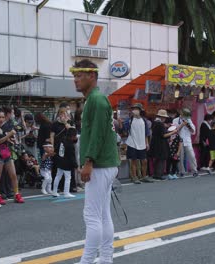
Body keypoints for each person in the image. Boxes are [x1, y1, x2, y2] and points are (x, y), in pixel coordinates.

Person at [70, 59, 120, 264]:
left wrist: (88, 162)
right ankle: (106, 257)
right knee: (103, 214)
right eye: (74, 76)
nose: (75, 80)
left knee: (92, 216)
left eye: (79, 75)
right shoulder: (95, 99)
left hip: (99, 165)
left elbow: (98, 134)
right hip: (106, 165)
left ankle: (87, 261)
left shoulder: (97, 100)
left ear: (92, 76)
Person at [0, 110, 24, 205]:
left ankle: (17, 194)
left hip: (6, 153)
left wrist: (11, 140)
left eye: (3, 117)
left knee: (13, 175)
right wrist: (9, 135)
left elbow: (5, 140)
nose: (1, 119)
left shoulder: (3, 128)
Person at [120, 103, 153, 184]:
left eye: (136, 109)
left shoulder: (144, 120)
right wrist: (121, 123)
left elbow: (146, 133)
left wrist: (147, 143)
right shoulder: (129, 120)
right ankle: (134, 177)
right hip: (132, 143)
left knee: (144, 161)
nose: (135, 110)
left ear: (140, 110)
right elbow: (124, 130)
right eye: (134, 108)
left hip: (142, 143)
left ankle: (144, 176)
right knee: (133, 161)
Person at [150, 109, 177, 180]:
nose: (165, 119)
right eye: (164, 117)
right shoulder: (160, 124)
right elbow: (164, 135)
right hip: (161, 144)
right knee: (161, 159)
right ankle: (159, 174)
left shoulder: (154, 123)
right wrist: (173, 132)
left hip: (155, 143)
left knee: (157, 159)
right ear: (162, 117)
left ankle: (156, 174)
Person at [172, 108, 199, 177]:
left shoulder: (189, 120)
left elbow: (193, 132)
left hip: (187, 141)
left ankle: (194, 170)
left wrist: (188, 126)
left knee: (192, 156)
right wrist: (182, 124)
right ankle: (181, 171)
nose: (186, 116)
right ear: (181, 113)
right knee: (180, 156)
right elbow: (174, 131)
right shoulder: (175, 120)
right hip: (179, 141)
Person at [52, 128, 78, 198]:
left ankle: (54, 191)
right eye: (75, 136)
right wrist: (76, 166)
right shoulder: (70, 145)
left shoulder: (62, 140)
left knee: (58, 176)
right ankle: (66, 193)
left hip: (60, 160)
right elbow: (72, 157)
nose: (75, 137)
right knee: (68, 178)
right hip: (66, 163)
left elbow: (56, 149)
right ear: (73, 136)